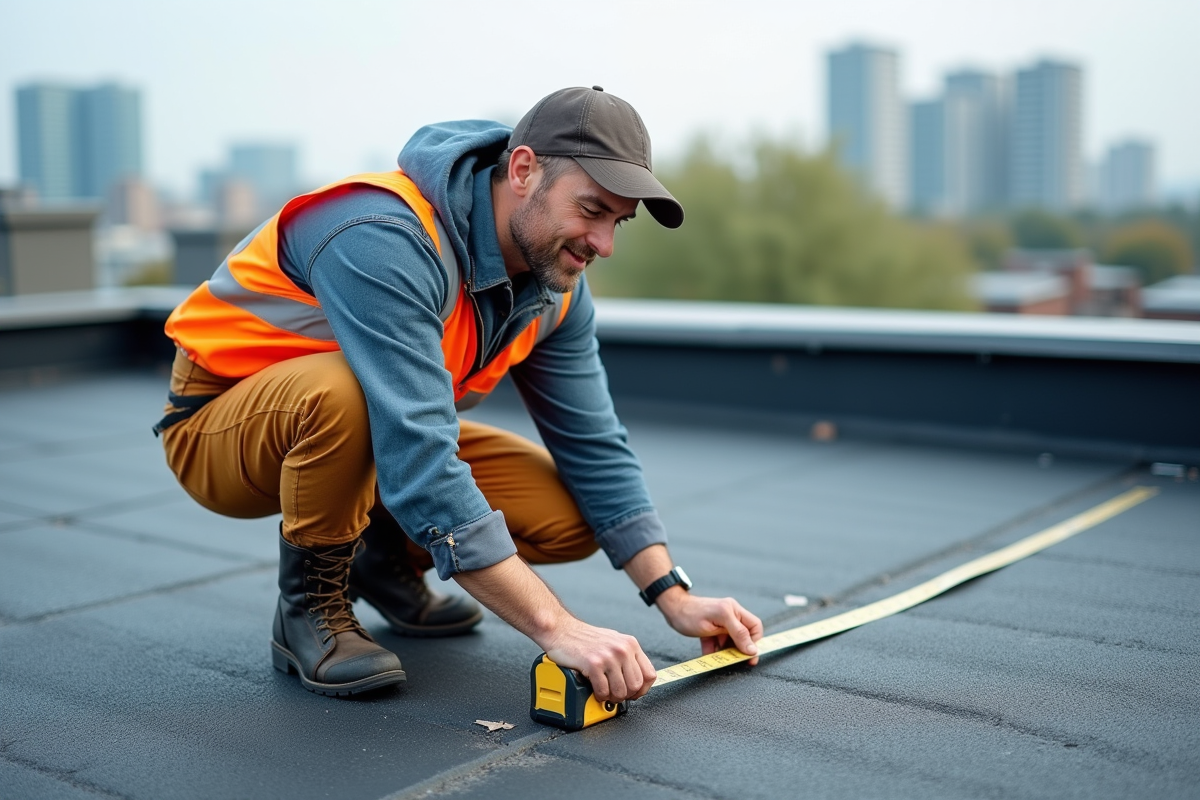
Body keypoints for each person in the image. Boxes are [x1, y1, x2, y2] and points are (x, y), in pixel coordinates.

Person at [155, 86, 763, 702]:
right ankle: (308, 610)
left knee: (571, 516)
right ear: (523, 170)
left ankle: (381, 559)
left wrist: (673, 597)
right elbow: (420, 459)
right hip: (220, 429)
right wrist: (559, 628)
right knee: (345, 392)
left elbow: (594, 443)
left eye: (617, 222)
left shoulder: (554, 289)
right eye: (591, 210)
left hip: (375, 428)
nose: (603, 244)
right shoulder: (383, 235)